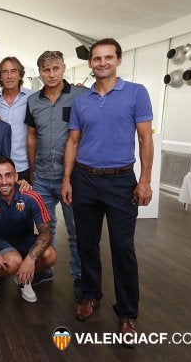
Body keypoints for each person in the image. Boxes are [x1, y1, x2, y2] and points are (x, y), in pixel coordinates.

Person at [61, 38, 153, 347]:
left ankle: (127, 313)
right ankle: (90, 295)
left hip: (120, 181)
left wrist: (145, 180)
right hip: (85, 179)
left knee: (122, 248)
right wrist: (67, 179)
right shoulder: (82, 101)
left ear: (118, 60)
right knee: (86, 244)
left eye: (108, 57)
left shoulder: (136, 93)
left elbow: (145, 140)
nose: (102, 62)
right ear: (90, 63)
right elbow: (72, 142)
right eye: (97, 58)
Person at [25, 51, 86, 299]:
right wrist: (31, 171)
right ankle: (46, 269)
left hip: (71, 179)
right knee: (44, 230)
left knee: (76, 232)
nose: (51, 75)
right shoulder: (33, 101)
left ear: (63, 69)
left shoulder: (80, 96)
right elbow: (31, 137)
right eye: (46, 70)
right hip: (41, 177)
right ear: (40, 73)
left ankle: (80, 277)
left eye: (55, 69)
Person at [0, 156, 56, 302]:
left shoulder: (32, 196)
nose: (3, 182)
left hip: (22, 237)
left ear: (16, 176)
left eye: (8, 175)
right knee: (14, 261)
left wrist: (30, 259)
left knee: (50, 255)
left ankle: (23, 277)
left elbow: (46, 232)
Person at [0, 56, 34, 181]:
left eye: (14, 71)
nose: (9, 76)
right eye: (5, 72)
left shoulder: (33, 97)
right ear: (0, 77)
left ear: (20, 75)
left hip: (24, 166)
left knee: (23, 201)